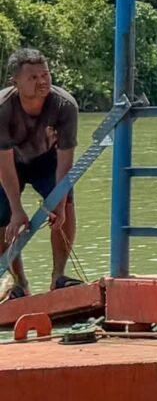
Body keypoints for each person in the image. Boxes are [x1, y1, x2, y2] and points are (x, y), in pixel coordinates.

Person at [0, 49, 80, 300]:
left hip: (47, 159)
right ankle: (20, 283)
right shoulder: (3, 108)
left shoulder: (64, 106)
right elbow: (4, 163)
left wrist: (60, 203)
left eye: (45, 75)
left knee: (66, 207)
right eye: (33, 78)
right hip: (11, 162)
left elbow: (66, 160)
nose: (42, 81)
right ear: (15, 83)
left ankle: (58, 276)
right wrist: (16, 209)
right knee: (3, 219)